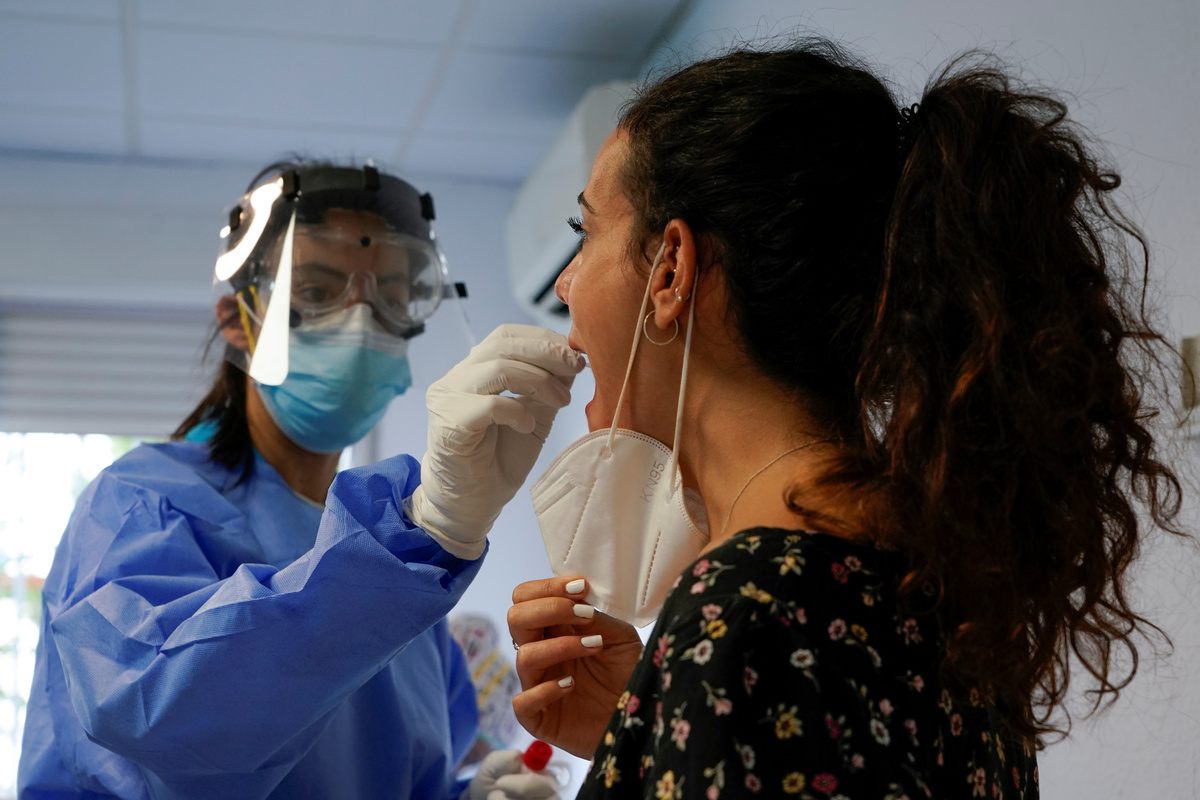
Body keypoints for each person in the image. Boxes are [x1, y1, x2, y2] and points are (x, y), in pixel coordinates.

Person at [506, 39, 1185, 798]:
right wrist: (643, 734)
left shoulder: (746, 611)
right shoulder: (933, 582)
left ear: (672, 269)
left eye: (587, 233)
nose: (565, 284)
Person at [18, 160, 582, 799]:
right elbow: (158, 716)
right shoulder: (145, 505)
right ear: (239, 322)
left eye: (390, 298)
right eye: (317, 291)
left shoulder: (411, 585)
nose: (360, 322)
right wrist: (426, 534)